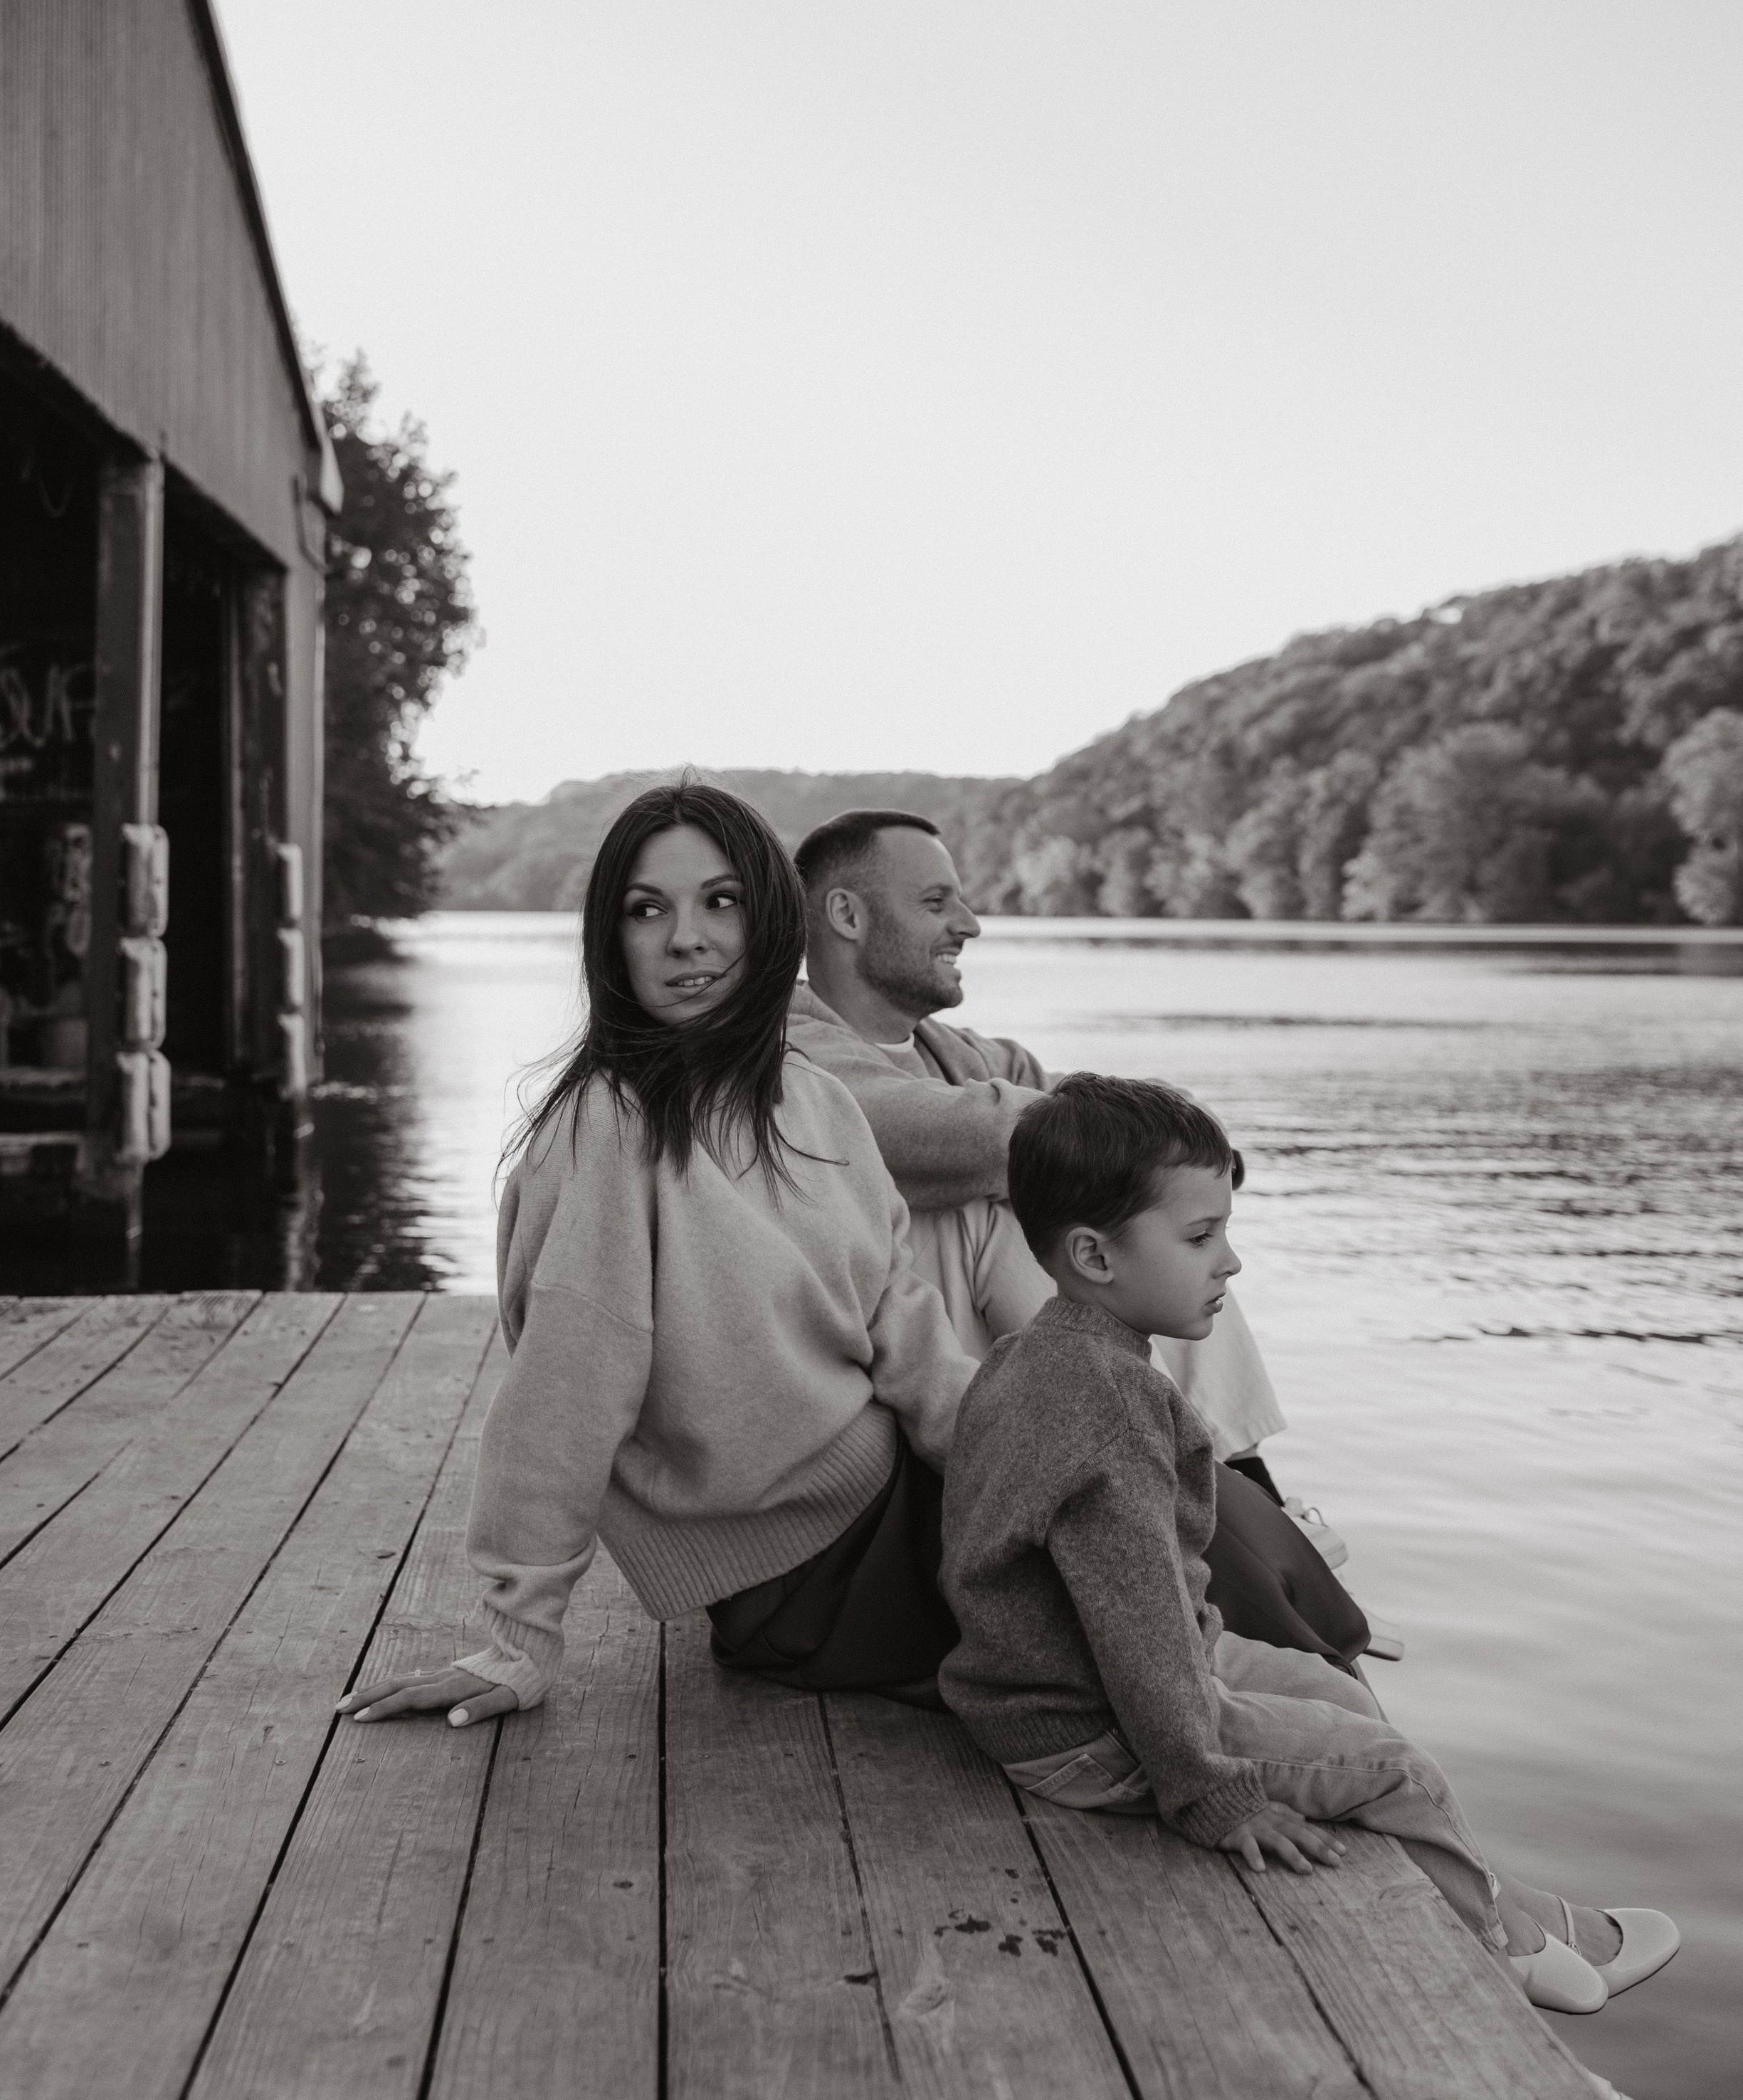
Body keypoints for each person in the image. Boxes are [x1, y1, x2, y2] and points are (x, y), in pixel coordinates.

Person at [937, 1072, 1681, 2027]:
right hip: (1089, 1726)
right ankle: (1509, 1949)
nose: (1232, 1262)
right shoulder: (1108, 1408)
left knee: (1333, 1689)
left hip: (1079, 1681)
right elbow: (1136, 1629)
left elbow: (1142, 1613)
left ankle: (1503, 1901)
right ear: (1094, 1255)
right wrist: (1211, 1794)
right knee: (1388, 1765)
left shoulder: (1038, 1356)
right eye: (1201, 1237)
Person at [337, 781, 978, 1732]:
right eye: (649, 909)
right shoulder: (608, 1127)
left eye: (721, 902)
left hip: (901, 1497)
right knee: (1151, 1619)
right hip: (809, 1577)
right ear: (612, 938)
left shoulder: (811, 1098)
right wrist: (521, 1636)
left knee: (1154, 1485)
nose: (688, 938)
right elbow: (565, 1387)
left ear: (769, 924)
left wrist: (1004, 1448)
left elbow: (903, 1322)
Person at [786, 808, 1287, 1470]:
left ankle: (1235, 1476)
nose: (969, 924)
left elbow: (1110, 1107)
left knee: (1158, 1214)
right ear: (847, 917)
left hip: (1008, 1354)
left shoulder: (962, 1053)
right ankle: (1166, 1476)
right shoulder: (789, 1060)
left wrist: (1170, 1151)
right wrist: (1149, 1148)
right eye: (938, 902)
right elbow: (985, 1135)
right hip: (903, 1372)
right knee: (1045, 1185)